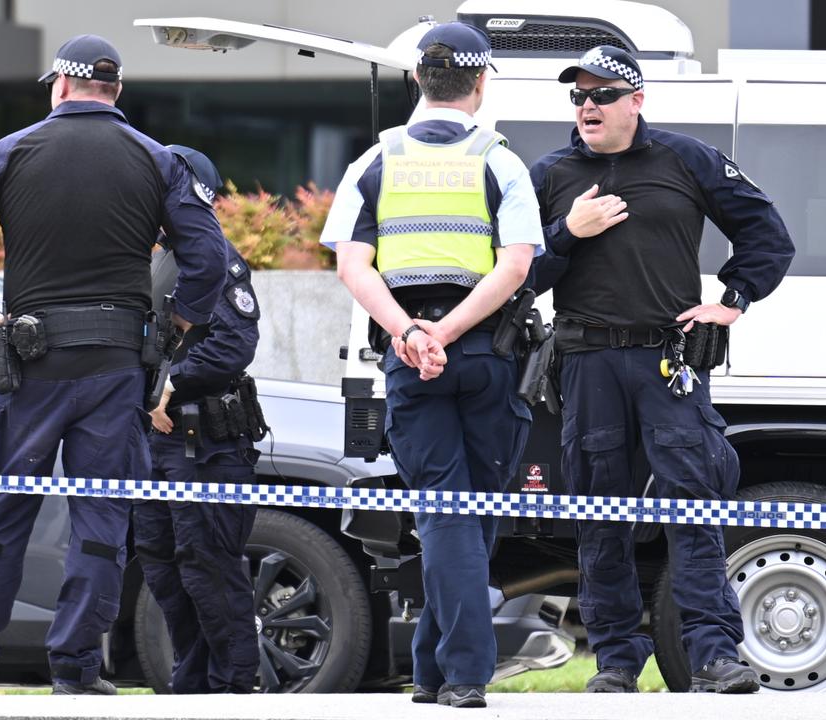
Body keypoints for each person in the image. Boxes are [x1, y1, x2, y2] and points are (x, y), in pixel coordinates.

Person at [0, 35, 228, 695]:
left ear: (61, 84)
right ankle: (77, 671)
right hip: (116, 372)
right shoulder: (157, 160)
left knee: (0, 516)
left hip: (29, 368)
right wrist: (175, 324)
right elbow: (207, 256)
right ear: (116, 90)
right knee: (101, 521)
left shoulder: (10, 151)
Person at [531, 46, 795, 694]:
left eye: (602, 94)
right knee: (600, 514)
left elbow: (768, 236)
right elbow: (520, 275)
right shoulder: (551, 174)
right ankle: (617, 661)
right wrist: (567, 230)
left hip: (667, 359)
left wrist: (731, 300)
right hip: (588, 363)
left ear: (636, 100)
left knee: (694, 504)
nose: (587, 106)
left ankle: (712, 655)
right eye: (579, 96)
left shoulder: (687, 159)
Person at [321, 23, 542, 709]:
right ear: (481, 84)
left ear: (418, 79)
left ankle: (429, 669)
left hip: (410, 354)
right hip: (484, 355)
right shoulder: (500, 161)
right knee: (465, 512)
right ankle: (467, 673)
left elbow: (351, 265)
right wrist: (445, 331)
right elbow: (517, 264)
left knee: (452, 512)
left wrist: (411, 333)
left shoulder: (373, 162)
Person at [133, 145, 263, 694]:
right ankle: (194, 685)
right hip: (155, 447)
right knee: (163, 567)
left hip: (205, 443)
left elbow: (236, 344)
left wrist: (172, 383)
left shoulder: (214, 256)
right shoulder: (154, 253)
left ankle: (235, 687)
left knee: (208, 567)